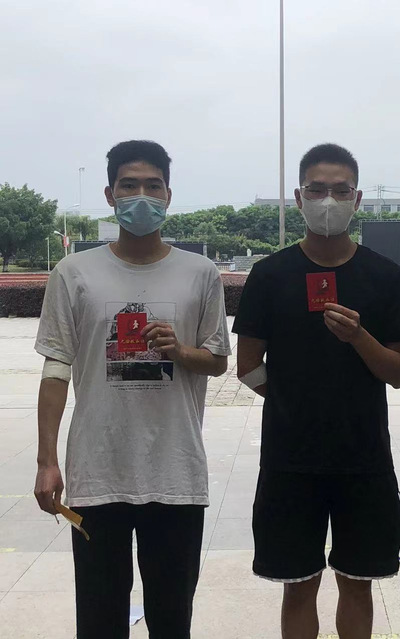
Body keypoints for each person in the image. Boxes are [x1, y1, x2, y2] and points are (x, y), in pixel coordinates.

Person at [34, 140, 231, 639]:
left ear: (168, 195)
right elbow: (55, 369)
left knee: (172, 619)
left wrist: (179, 351)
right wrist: (46, 460)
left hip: (176, 474)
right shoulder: (73, 273)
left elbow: (217, 361)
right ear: (110, 194)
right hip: (97, 473)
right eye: (129, 185)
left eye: (152, 186)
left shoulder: (200, 273)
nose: (141, 196)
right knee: (99, 620)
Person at [233, 143, 400, 639]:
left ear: (357, 199)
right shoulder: (270, 275)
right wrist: (294, 399)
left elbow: (399, 372)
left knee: (358, 584)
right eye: (316, 189)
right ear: (298, 197)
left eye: (340, 190)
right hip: (290, 460)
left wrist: (358, 337)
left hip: (364, 457)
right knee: (298, 586)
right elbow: (247, 367)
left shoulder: (383, 275)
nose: (328, 200)